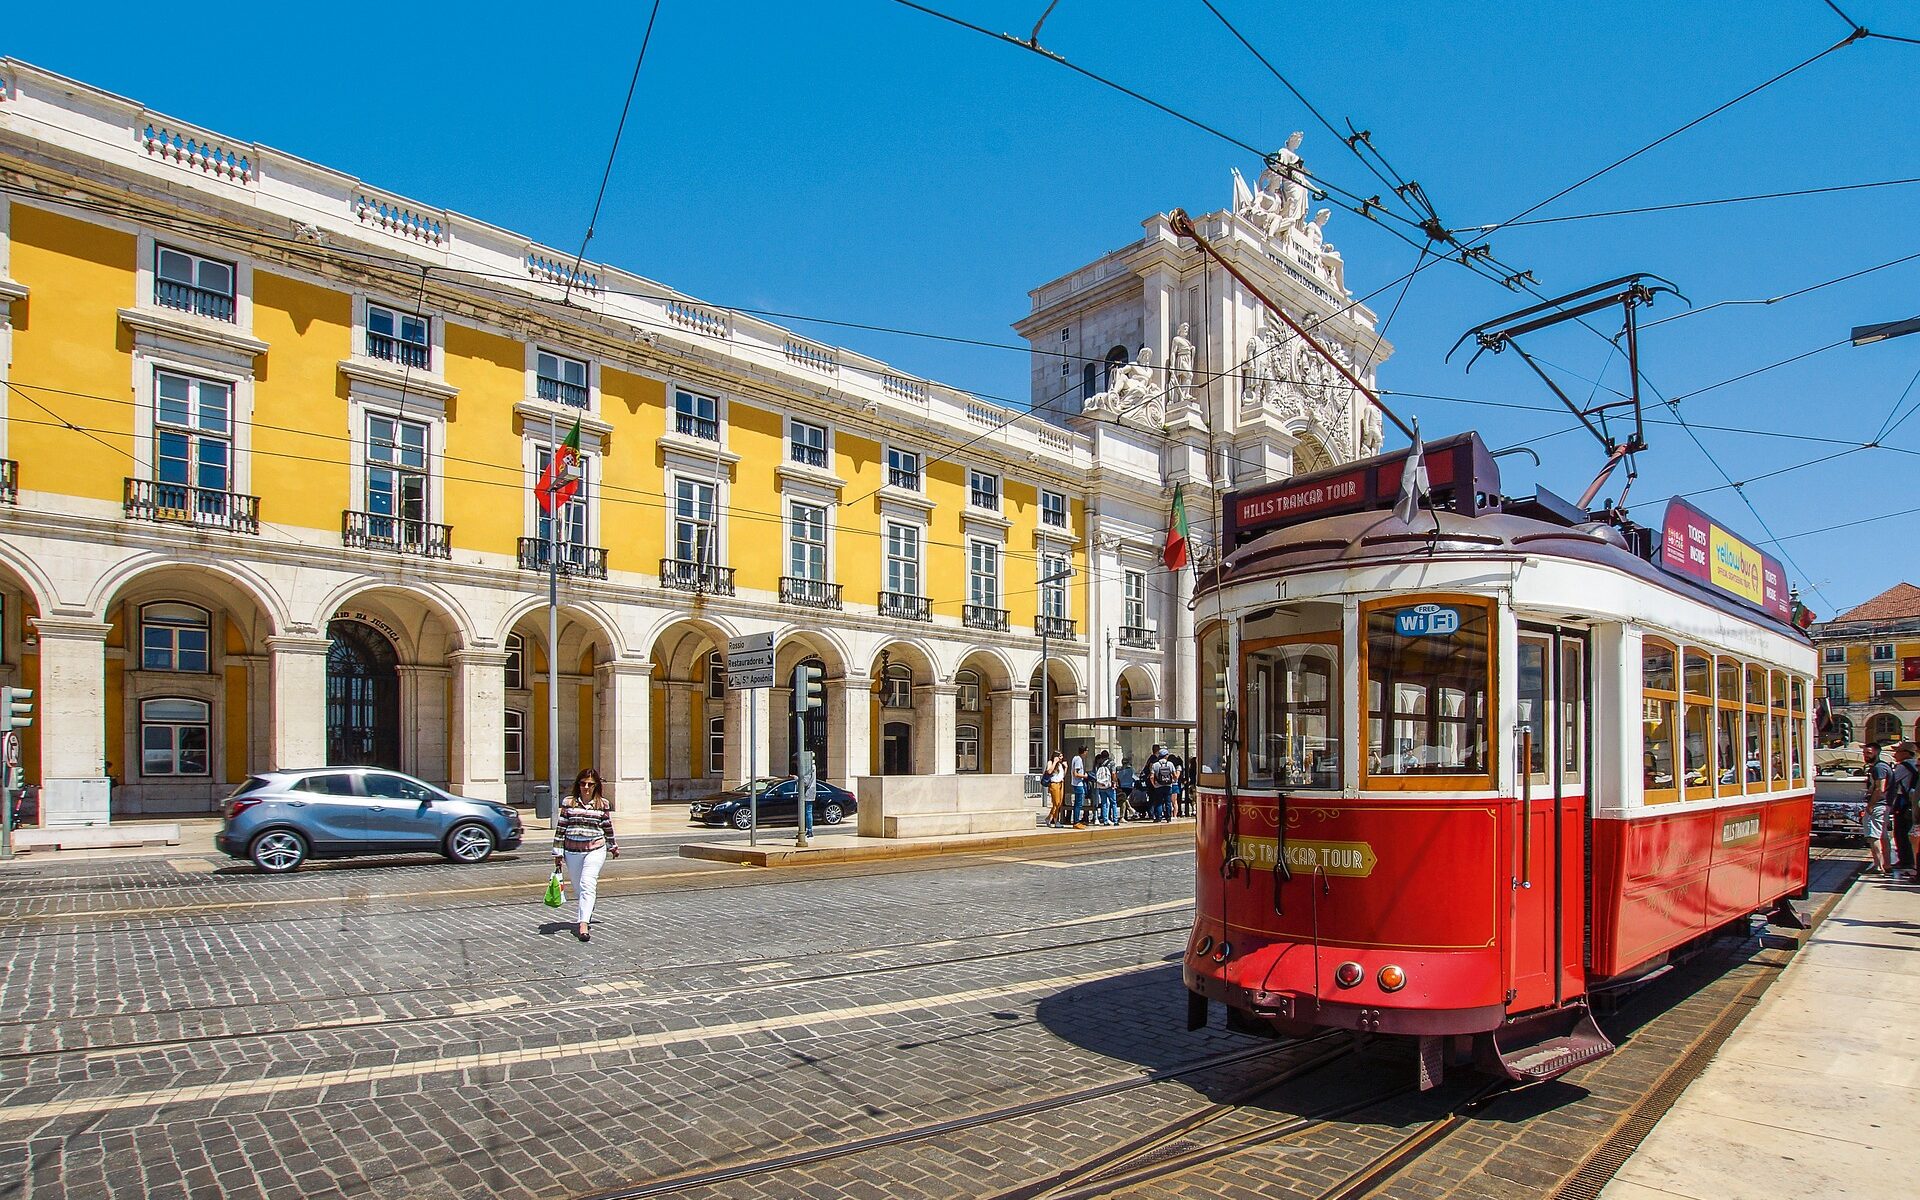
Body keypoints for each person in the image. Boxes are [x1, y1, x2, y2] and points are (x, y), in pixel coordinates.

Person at [552, 767, 618, 942]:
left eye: (590, 784)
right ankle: (588, 908)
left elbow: (607, 827)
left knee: (587, 883)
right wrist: (557, 853)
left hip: (595, 849)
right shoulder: (569, 802)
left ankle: (583, 925)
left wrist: (612, 846)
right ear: (578, 784)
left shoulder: (602, 804)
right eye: (583, 783)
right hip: (572, 851)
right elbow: (561, 829)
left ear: (596, 786)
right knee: (579, 887)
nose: (586, 787)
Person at [1861, 742, 1892, 876]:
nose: (1865, 755)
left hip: (1878, 805)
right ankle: (1887, 864)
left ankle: (1878, 866)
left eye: (1869, 753)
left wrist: (1871, 805)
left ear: (1877, 753)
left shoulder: (1878, 768)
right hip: (1884, 804)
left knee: (1874, 835)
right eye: (1864, 753)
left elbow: (1880, 788)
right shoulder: (1882, 766)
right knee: (1883, 835)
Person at [1890, 741, 1919, 880]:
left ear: (1907, 753)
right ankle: (1911, 861)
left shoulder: (1903, 766)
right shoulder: (1915, 764)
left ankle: (1906, 861)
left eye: (1898, 751)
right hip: (1911, 802)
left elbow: (1892, 782)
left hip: (1904, 803)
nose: (1895, 754)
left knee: (1901, 832)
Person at [1146, 744, 1178, 823]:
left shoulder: (1155, 765)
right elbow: (1175, 775)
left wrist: (1154, 784)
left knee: (1158, 802)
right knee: (1168, 802)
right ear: (1165, 756)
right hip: (1168, 786)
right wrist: (1173, 780)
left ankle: (1158, 817)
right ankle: (1168, 817)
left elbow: (1151, 777)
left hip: (1158, 786)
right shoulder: (1170, 764)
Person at [1092, 749, 1118, 827]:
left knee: (1104, 803)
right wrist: (1114, 783)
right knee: (1113, 802)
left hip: (1101, 786)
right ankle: (1115, 819)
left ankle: (1105, 820)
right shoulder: (1111, 763)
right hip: (1109, 785)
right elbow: (1113, 774)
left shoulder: (1099, 764)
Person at [1044, 751, 1068, 827]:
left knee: (1059, 803)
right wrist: (1054, 762)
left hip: (1061, 783)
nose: (1061, 758)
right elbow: (1049, 771)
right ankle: (1051, 818)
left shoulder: (1060, 764)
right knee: (1056, 803)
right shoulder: (1050, 762)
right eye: (1060, 756)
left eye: (1062, 756)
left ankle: (1055, 819)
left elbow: (1062, 775)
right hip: (1054, 784)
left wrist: (1066, 767)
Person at [1069, 744, 1090, 828]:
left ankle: (1076, 821)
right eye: (1087, 751)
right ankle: (1076, 822)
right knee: (1078, 804)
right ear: (1084, 752)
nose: (1087, 753)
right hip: (1078, 784)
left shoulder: (1075, 758)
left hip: (1076, 783)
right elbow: (1075, 773)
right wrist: (1085, 776)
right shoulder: (1078, 760)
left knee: (1078, 803)